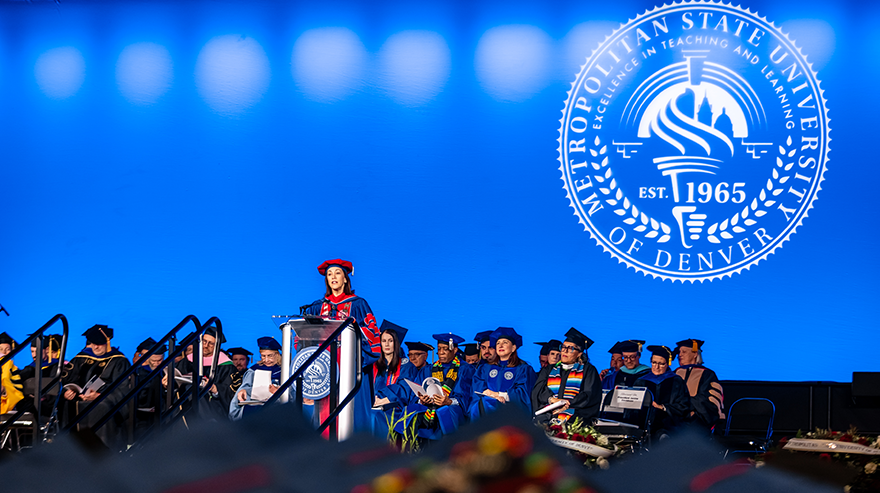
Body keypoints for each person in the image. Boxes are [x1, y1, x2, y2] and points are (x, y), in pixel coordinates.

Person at [300, 259, 382, 433]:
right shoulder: (316, 307)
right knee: (324, 412)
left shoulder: (358, 304)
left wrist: (353, 330)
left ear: (345, 278)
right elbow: (302, 336)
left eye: (337, 273)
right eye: (329, 274)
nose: (333, 277)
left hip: (350, 363)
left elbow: (373, 333)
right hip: (324, 364)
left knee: (351, 413)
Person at [60, 324, 132, 449]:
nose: (95, 346)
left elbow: (123, 388)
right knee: (67, 404)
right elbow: (67, 380)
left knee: (102, 407)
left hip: (103, 402)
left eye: (99, 343)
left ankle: (101, 453)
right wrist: (67, 392)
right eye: (93, 343)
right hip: (80, 400)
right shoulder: (80, 358)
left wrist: (99, 396)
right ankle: (71, 452)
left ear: (107, 342)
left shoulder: (119, 361)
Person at [402, 333, 474, 440]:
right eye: (439, 349)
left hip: (451, 407)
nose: (441, 353)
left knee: (447, 411)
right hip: (428, 407)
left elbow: (466, 396)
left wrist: (449, 401)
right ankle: (407, 449)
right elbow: (415, 394)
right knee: (411, 410)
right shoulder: (427, 370)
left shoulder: (465, 369)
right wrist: (421, 400)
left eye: (445, 349)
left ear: (454, 350)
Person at [532, 328, 601, 426]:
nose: (565, 351)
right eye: (563, 347)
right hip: (548, 416)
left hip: (574, 417)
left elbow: (589, 395)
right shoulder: (549, 369)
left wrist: (568, 403)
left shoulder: (588, 370)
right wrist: (551, 399)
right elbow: (538, 391)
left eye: (570, 348)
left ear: (579, 353)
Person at [169, 326, 236, 422]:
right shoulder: (189, 359)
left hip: (212, 405)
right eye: (204, 341)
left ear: (217, 346)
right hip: (186, 401)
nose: (206, 345)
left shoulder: (226, 365)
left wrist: (215, 388)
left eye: (211, 343)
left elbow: (229, 391)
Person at [368, 321, 421, 437]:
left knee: (373, 416)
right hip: (372, 404)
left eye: (390, 341)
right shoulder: (372, 366)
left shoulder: (406, 366)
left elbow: (405, 388)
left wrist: (385, 399)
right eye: (383, 341)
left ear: (396, 343)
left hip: (395, 408)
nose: (387, 344)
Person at [469, 327, 536, 419]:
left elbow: (523, 394)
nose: (500, 346)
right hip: (486, 411)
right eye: (498, 343)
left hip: (510, 411)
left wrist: (500, 395)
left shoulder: (524, 369)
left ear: (513, 348)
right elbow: (477, 388)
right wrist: (491, 396)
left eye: (505, 343)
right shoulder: (484, 369)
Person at [634, 345, 691, 438]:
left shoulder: (676, 381)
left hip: (669, 428)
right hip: (643, 426)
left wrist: (662, 407)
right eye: (654, 362)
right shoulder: (641, 381)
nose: (657, 367)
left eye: (661, 364)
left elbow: (683, 406)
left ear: (667, 364)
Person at [674, 339, 725, 429]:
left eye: (684, 352)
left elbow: (705, 399)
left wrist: (684, 407)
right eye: (679, 352)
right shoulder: (675, 374)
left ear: (695, 354)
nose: (680, 355)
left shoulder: (707, 374)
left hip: (697, 421)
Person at [229, 337, 283, 421]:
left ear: (277, 354)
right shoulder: (254, 370)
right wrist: (243, 391)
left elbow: (293, 394)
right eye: (263, 356)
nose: (266, 360)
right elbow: (245, 387)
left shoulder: (284, 371)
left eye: (270, 356)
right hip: (253, 410)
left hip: (276, 411)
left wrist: (279, 392)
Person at [0, 332, 24, 414]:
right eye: (1, 350)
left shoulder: (12, 367)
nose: (4, 353)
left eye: (7, 350)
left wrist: (4, 391)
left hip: (8, 402)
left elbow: (16, 390)